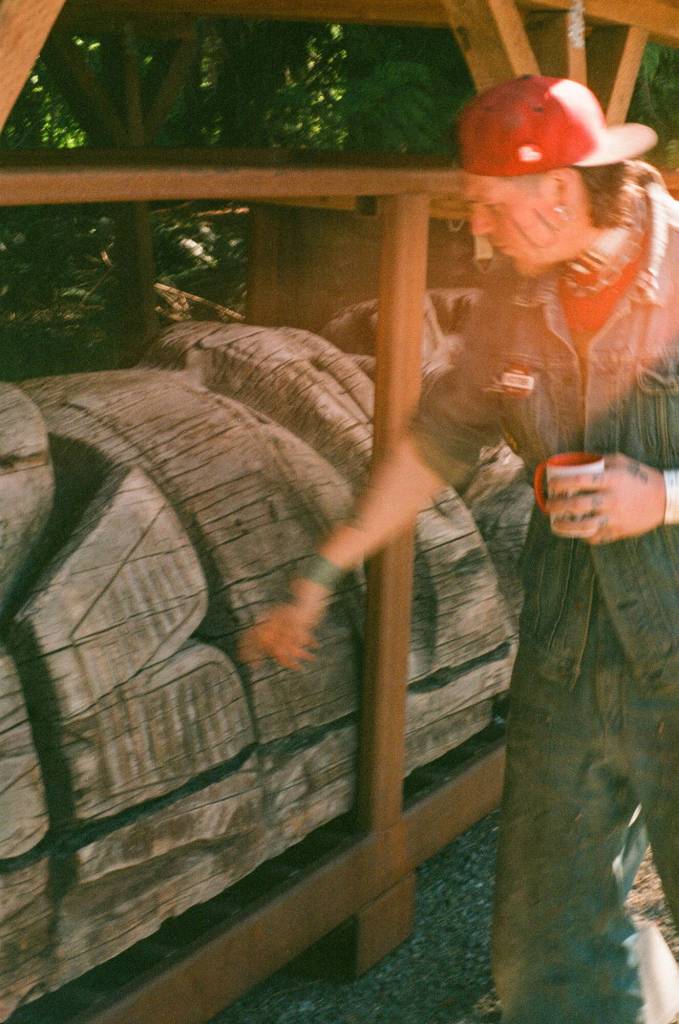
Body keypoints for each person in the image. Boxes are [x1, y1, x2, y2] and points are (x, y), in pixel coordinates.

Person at [240, 75, 679, 1024]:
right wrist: (323, 570)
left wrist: (663, 498)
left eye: (486, 203)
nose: (477, 228)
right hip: (566, 662)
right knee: (547, 965)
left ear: (555, 192)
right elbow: (438, 439)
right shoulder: (515, 296)